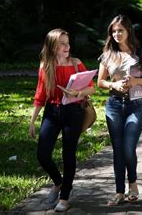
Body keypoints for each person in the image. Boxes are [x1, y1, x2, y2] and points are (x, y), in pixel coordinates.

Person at [29, 29, 95, 212]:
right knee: (42, 154)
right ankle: (58, 183)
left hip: (74, 112)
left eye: (68, 42)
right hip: (52, 112)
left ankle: (65, 197)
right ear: (53, 46)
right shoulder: (45, 66)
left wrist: (78, 93)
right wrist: (32, 121)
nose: (68, 46)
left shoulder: (76, 63)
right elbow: (40, 95)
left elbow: (92, 87)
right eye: (63, 43)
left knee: (68, 154)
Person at [97, 14, 142, 206]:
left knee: (128, 147)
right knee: (118, 150)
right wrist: (113, 86)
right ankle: (119, 192)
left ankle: (133, 184)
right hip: (114, 105)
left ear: (128, 31)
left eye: (120, 30)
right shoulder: (107, 55)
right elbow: (100, 82)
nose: (117, 34)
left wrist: (136, 81)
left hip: (137, 104)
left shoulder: (140, 53)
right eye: (114, 31)